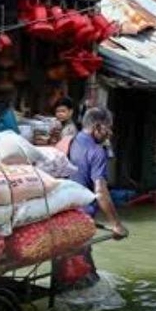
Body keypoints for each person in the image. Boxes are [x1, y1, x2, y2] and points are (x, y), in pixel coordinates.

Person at [52, 107, 128, 289]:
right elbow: (101, 192)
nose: (110, 133)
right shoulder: (96, 151)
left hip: (59, 216)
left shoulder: (68, 141)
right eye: (108, 128)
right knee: (87, 279)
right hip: (80, 221)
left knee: (63, 270)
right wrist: (116, 224)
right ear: (98, 126)